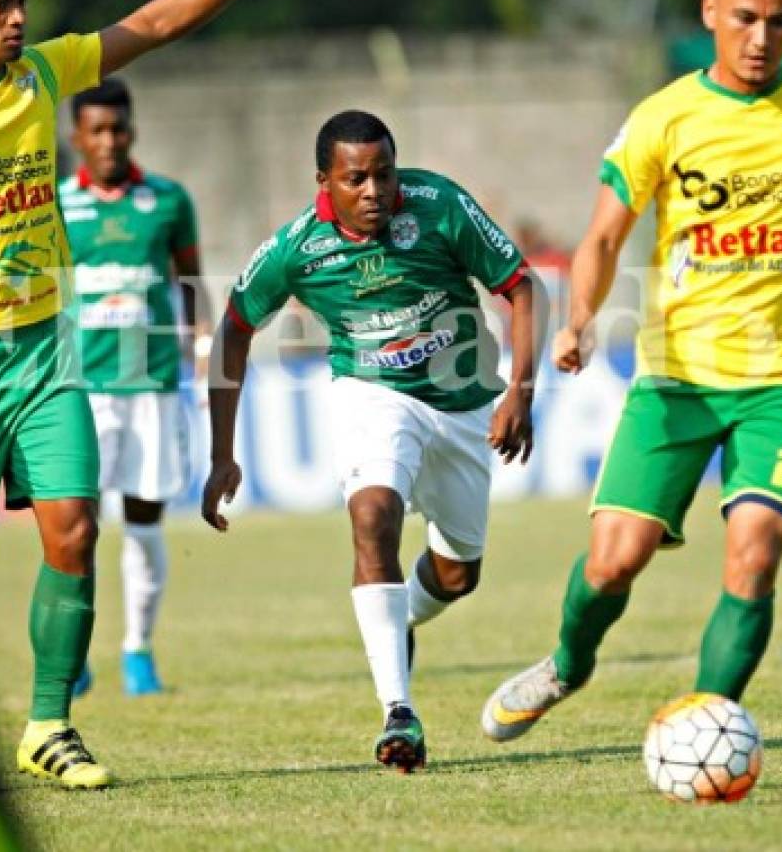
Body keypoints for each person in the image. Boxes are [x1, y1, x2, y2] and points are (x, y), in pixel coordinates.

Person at [0, 0, 333, 790]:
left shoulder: (42, 74)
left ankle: (48, 725)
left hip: (44, 350)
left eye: (23, 1)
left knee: (73, 531)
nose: (20, 19)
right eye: (1, 4)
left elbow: (159, 22)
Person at [481, 0, 782, 743]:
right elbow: (604, 236)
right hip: (675, 379)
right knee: (612, 562)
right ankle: (567, 664)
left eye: (779, 21)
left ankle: (705, 723)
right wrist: (577, 319)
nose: (761, 38)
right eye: (745, 18)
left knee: (756, 547)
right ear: (711, 11)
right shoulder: (662, 117)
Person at [202, 110, 544, 773]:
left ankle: (400, 619)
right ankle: (398, 712)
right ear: (323, 182)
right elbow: (234, 329)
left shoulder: (439, 204)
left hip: (463, 404)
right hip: (371, 395)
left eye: (383, 174)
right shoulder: (296, 249)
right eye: (354, 178)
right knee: (372, 514)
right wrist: (222, 452)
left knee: (457, 574)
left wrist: (520, 393)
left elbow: (521, 288)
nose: (373, 192)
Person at [61, 78, 211, 697]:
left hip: (150, 383)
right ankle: (73, 653)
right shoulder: (55, 206)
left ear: (133, 129)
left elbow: (194, 285)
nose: (108, 141)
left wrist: (203, 352)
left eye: (118, 128)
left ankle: (137, 651)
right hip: (79, 388)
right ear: (76, 137)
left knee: (144, 524)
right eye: (96, 130)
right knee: (73, 527)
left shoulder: (169, 200)